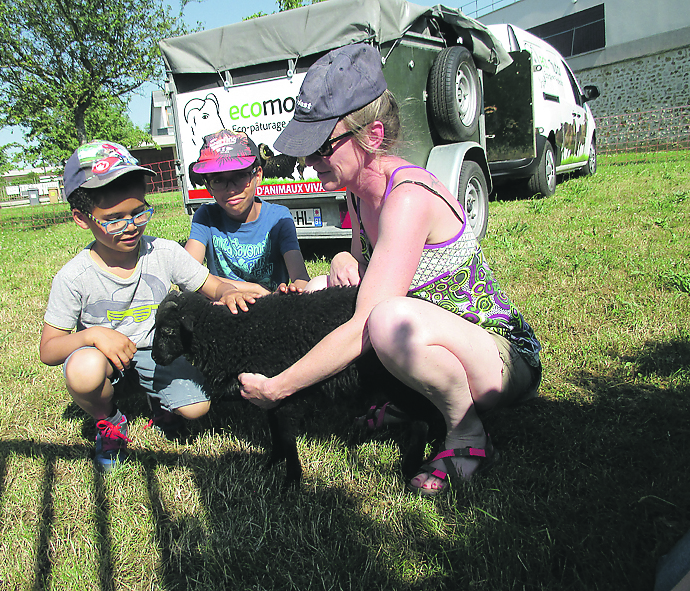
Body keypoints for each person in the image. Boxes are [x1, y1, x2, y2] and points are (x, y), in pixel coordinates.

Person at [238, 44, 542, 496]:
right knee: (328, 286)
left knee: (384, 321)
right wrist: (345, 260)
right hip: (449, 343)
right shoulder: (358, 194)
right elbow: (368, 270)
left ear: (372, 136)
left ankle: (467, 433)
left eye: (322, 147)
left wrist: (278, 387)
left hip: (502, 358)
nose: (308, 162)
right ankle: (416, 401)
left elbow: (368, 321)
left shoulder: (408, 197)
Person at [40, 140, 252, 472]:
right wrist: (92, 336)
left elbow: (209, 284)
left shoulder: (163, 252)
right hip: (106, 359)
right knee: (83, 371)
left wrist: (227, 291)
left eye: (139, 212)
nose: (130, 226)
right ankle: (110, 421)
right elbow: (49, 350)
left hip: (160, 351)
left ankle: (160, 401)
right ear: (82, 218)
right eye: (113, 219)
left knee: (197, 409)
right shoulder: (73, 277)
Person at [185, 129, 310, 294]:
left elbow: (300, 277)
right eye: (218, 180)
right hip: (224, 312)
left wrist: (293, 291)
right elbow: (186, 273)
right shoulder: (205, 216)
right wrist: (254, 289)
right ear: (208, 186)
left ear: (257, 175)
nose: (231, 189)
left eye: (240, 176)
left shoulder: (279, 218)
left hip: (271, 309)